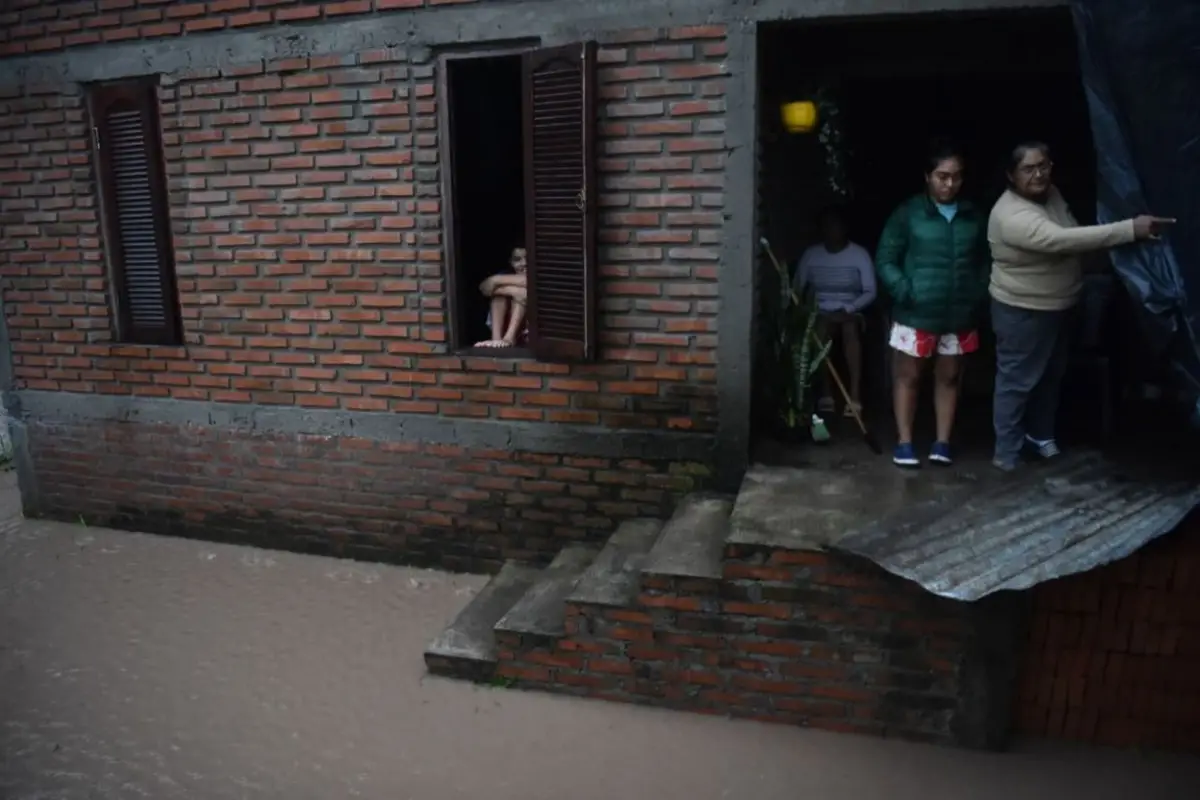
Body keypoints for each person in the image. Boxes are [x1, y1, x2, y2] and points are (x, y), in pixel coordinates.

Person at [987, 142, 1174, 471]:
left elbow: (1073, 229)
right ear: (1010, 175)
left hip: (1061, 304)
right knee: (1017, 381)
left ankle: (1040, 436)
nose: (1039, 173)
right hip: (1023, 310)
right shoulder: (1011, 215)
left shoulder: (1052, 193)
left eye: (1044, 165)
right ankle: (1007, 452)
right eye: (1028, 169)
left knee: (1051, 375)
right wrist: (1131, 230)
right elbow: (1063, 239)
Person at [876, 140, 989, 468]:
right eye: (942, 176)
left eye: (956, 176)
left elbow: (986, 260)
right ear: (927, 177)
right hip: (915, 312)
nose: (949, 183)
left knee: (950, 377)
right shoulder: (909, 213)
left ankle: (942, 442)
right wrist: (904, 289)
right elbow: (885, 258)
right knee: (908, 376)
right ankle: (905, 442)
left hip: (959, 314)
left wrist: (977, 291)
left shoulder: (973, 216)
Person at [794, 206, 876, 416]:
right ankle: (826, 394)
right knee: (820, 329)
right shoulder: (812, 255)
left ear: (844, 228)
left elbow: (870, 291)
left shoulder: (859, 254)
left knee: (849, 329)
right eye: (826, 226)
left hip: (850, 309)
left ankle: (854, 396)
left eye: (835, 226)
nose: (830, 230)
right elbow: (797, 289)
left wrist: (849, 308)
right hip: (819, 311)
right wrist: (808, 309)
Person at [475, 246, 528, 348]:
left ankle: (509, 338)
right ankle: (496, 339)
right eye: (517, 260)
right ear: (511, 262)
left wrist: (496, 280)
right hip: (505, 324)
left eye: (527, 258)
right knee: (499, 297)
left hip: (528, 330)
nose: (524, 263)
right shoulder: (506, 274)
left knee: (520, 295)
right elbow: (484, 288)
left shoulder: (538, 274)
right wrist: (513, 291)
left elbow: (527, 286)